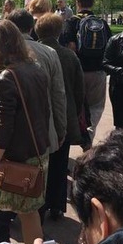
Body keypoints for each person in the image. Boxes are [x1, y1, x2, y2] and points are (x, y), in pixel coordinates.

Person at [0, 20, 50, 244]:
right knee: (31, 213)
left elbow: (6, 125)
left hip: (20, 155)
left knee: (26, 214)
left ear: (1, 45)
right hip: (39, 149)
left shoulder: (7, 77)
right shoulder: (35, 68)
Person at [34, 13, 84, 222]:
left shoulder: (32, 53)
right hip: (64, 114)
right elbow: (79, 88)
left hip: (40, 117)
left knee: (40, 164)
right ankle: (57, 205)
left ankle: (40, 204)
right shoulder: (69, 56)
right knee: (60, 163)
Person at [64, 0, 111, 147]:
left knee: (76, 105)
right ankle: (89, 136)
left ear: (77, 3)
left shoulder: (71, 22)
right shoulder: (102, 23)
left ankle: (76, 134)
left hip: (79, 71)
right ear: (93, 3)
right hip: (98, 71)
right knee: (96, 106)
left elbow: (70, 47)